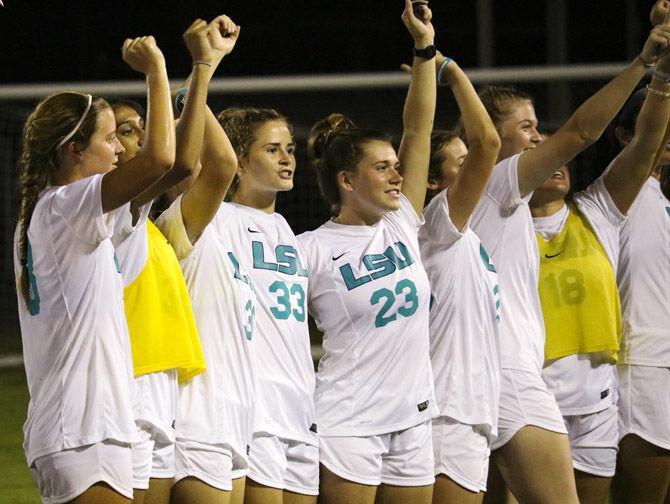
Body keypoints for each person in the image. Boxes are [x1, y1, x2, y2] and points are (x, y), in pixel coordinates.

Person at [470, 22, 670, 504]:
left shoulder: (596, 212)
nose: (547, 147)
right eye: (532, 135)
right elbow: (582, 131)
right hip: (525, 390)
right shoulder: (487, 215)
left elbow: (644, 145)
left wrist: (662, 78)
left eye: (547, 136)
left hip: (595, 398)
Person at [13, 36, 174, 504]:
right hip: (81, 428)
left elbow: (175, 165)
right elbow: (160, 159)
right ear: (73, 150)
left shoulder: (53, 212)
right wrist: (156, 72)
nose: (119, 150)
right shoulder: (67, 205)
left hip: (82, 427)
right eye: (109, 138)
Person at [298, 2, 436, 502]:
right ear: (346, 180)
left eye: (396, 165)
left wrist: (424, 50)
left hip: (414, 416)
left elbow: (419, 130)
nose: (397, 175)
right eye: (382, 168)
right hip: (347, 421)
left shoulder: (400, 222)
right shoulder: (309, 250)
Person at [530, 43, 670, 504]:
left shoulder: (622, 207)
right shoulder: (499, 221)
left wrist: (663, 78)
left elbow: (649, 141)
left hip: (618, 388)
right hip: (556, 391)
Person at [110, 17, 234, 504]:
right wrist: (196, 70)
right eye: (121, 131)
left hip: (164, 397)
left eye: (139, 130)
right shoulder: (108, 216)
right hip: (127, 391)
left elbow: (215, 166)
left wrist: (201, 75)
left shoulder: (158, 230)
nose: (136, 139)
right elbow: (179, 162)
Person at [155, 17, 254, 504]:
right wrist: (202, 71)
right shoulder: (176, 224)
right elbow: (222, 164)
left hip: (232, 416)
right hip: (197, 421)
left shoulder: (226, 230)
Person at [417, 49, 501, 503]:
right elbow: (489, 143)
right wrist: (448, 70)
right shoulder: (437, 224)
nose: (473, 166)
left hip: (467, 409)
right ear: (433, 181)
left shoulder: (466, 236)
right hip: (447, 412)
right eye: (459, 161)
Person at [609, 9, 670, 502]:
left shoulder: (660, 198)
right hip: (642, 365)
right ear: (624, 137)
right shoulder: (620, 193)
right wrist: (661, 70)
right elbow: (651, 134)